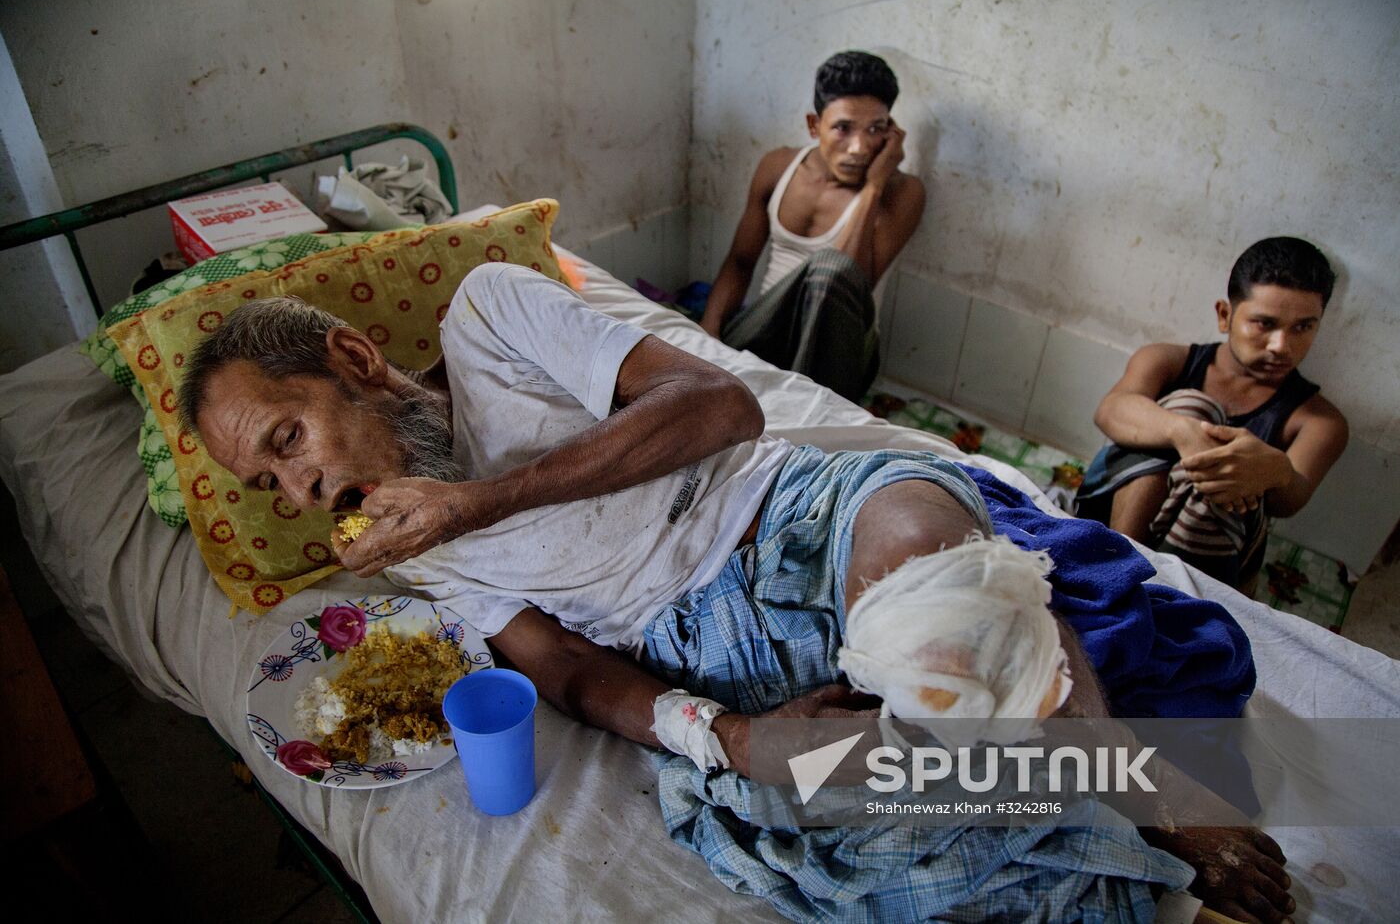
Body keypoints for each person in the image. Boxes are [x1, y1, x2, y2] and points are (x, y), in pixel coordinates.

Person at [181, 263, 1294, 923]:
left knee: (940, 604)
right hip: (711, 646)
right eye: (270, 482)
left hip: (791, 507)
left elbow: (719, 407)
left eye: (289, 437)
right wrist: (721, 738)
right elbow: (564, 668)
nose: (305, 483)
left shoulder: (488, 320)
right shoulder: (419, 558)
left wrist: (480, 500)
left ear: (354, 361)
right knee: (918, 845)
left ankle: (1139, 783)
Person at [1076, 237, 1348, 591]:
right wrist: (1182, 432)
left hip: (1211, 562)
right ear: (1225, 315)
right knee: (1191, 408)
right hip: (1118, 524)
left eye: (1302, 327)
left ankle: (1157, 596)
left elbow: (1288, 502)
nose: (1282, 346)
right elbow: (1111, 410)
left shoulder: (1318, 420)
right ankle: (1116, 574)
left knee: (1234, 470)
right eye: (1264, 324)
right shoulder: (1167, 361)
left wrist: (1275, 471)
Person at [698, 50, 925, 402]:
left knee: (830, 271)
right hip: (767, 334)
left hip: (841, 361)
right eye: (843, 128)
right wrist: (707, 337)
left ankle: (803, 409)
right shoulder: (778, 167)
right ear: (813, 125)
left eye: (875, 130)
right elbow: (740, 262)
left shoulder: (902, 192)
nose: (859, 148)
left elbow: (853, 284)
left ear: (891, 135)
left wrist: (874, 187)